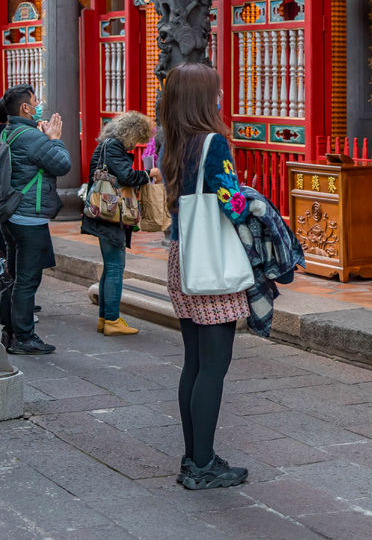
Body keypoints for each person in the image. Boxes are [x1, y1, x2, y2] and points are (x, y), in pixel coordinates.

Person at [159, 62, 249, 492]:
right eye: (215, 90)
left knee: (194, 362)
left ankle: (193, 456)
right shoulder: (213, 143)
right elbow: (232, 203)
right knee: (214, 366)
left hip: (182, 256)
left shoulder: (173, 141)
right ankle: (203, 465)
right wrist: (250, 202)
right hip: (209, 261)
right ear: (202, 99)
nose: (220, 96)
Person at [0, 84, 71, 355]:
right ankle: (25, 337)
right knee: (27, 280)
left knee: (16, 276)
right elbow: (62, 164)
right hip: (29, 218)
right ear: (25, 108)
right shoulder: (31, 137)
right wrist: (54, 138)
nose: (39, 104)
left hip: (12, 215)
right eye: (34, 101)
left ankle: (10, 331)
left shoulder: (11, 131)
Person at [81, 111, 161, 336]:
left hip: (105, 213)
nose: (136, 144)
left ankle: (105, 319)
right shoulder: (114, 147)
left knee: (110, 266)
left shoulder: (107, 145)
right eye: (138, 139)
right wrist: (149, 173)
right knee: (115, 267)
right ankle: (112, 320)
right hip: (110, 216)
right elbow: (126, 176)